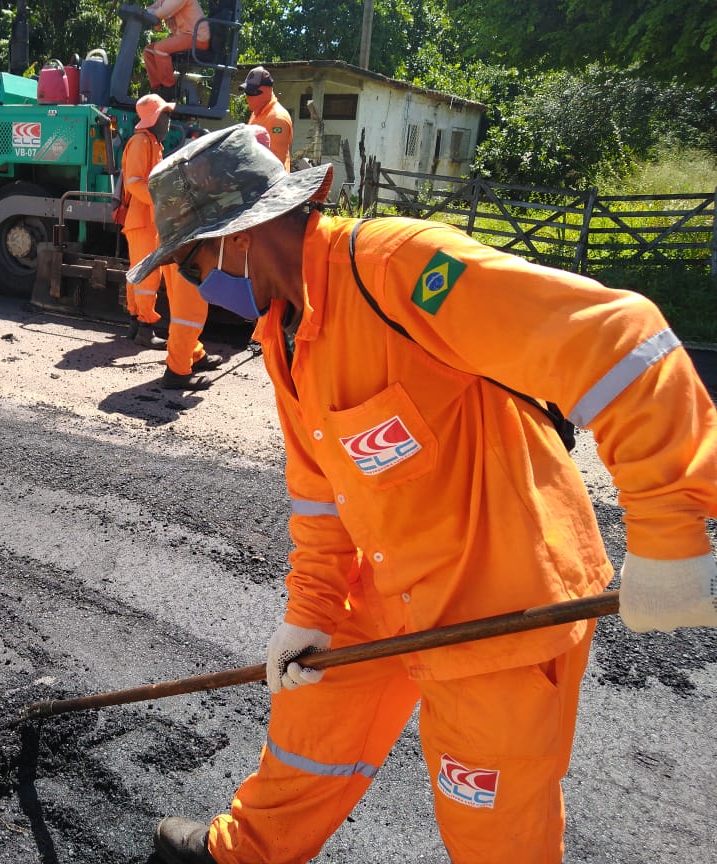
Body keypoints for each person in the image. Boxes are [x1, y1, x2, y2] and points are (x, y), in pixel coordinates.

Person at [128, 125, 717, 864]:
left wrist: (671, 536)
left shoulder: (394, 269)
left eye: (188, 262)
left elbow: (621, 339)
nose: (191, 282)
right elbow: (320, 494)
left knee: (491, 824)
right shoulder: (285, 333)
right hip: (388, 579)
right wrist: (309, 614)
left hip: (500, 601)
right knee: (312, 722)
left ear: (237, 238)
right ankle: (246, 853)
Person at [119, 94, 221, 389]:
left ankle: (187, 350)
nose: (169, 121)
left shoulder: (153, 143)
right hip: (143, 222)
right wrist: (164, 200)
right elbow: (134, 182)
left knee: (168, 285)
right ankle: (142, 326)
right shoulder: (141, 143)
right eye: (165, 115)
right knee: (146, 278)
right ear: (154, 119)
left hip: (154, 222)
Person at [143, 0, 210, 102]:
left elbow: (163, 12)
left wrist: (149, 13)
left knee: (160, 49)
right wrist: (146, 12)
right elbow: (155, 7)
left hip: (197, 36)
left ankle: (168, 88)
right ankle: (157, 90)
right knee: (149, 51)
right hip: (184, 35)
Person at [240, 66, 293, 170]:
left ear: (264, 91)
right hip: (256, 179)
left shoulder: (277, 118)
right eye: (246, 92)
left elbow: (275, 164)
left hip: (273, 183)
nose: (247, 96)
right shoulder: (257, 113)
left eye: (251, 92)